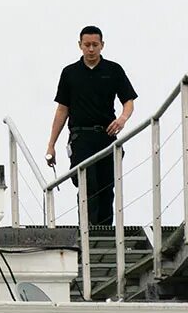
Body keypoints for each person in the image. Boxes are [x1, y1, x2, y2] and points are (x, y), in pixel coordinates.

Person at [45, 25, 138, 226]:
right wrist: (51, 144)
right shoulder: (70, 73)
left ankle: (105, 231)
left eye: (95, 45)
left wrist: (122, 119)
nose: (91, 49)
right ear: (80, 45)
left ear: (102, 45)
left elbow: (128, 101)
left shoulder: (113, 70)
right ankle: (88, 230)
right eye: (87, 45)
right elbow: (62, 109)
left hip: (106, 135)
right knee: (88, 183)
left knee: (107, 186)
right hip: (80, 137)